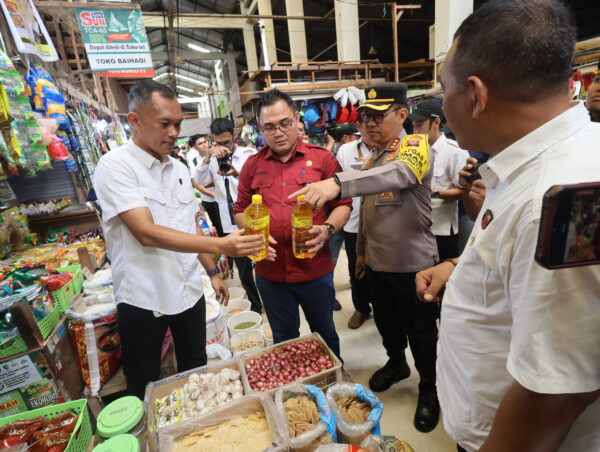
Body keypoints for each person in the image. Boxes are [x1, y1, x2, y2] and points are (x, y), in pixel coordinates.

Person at [414, 1, 600, 451]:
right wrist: (462, 264)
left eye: (446, 89)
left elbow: (557, 389)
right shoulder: (534, 160)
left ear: (476, 95)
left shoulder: (555, 199)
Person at [93, 80, 267, 398]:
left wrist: (212, 271)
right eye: (164, 124)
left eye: (178, 124)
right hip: (145, 299)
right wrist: (221, 246)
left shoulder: (177, 168)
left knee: (195, 367)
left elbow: (191, 225)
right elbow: (145, 232)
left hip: (188, 291)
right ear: (134, 120)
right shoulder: (115, 167)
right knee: (144, 380)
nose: (174, 132)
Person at [291, 83, 440, 433]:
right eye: (365, 118)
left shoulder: (414, 147)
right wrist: (360, 252)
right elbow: (368, 211)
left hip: (412, 265)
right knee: (387, 323)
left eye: (379, 116)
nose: (370, 124)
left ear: (402, 115)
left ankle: (430, 388)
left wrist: (338, 184)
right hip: (375, 263)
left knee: (421, 332)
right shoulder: (372, 157)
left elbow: (399, 175)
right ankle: (396, 363)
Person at [233, 89, 352, 358]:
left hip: (315, 270)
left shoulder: (323, 159)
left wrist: (327, 230)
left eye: (285, 123)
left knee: (324, 332)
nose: (278, 133)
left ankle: (334, 376)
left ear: (296, 120)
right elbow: (240, 209)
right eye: (269, 127)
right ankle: (293, 387)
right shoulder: (252, 165)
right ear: (260, 129)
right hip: (270, 274)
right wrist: (253, 232)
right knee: (284, 338)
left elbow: (343, 205)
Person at [196, 118, 263, 313]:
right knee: (243, 268)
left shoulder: (248, 155)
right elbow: (199, 181)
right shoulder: (211, 159)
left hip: (251, 217)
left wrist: (236, 174)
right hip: (227, 221)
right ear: (212, 140)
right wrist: (208, 156)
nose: (223, 147)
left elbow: (259, 182)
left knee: (261, 260)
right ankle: (256, 305)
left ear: (234, 136)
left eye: (226, 142)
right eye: (218, 142)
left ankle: (270, 296)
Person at [410, 100, 470, 261]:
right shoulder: (412, 151)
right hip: (414, 229)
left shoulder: (454, 152)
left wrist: (434, 193)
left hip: (440, 230)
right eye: (414, 126)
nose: (416, 131)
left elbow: (465, 192)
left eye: (420, 125)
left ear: (436, 122)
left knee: (440, 279)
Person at [335, 116, 376, 329]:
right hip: (354, 221)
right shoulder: (346, 150)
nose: (371, 127)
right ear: (358, 126)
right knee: (356, 269)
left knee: (380, 269)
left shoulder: (391, 147)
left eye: (376, 120)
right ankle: (361, 308)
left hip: (381, 223)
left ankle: (382, 308)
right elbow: (341, 187)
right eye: (366, 122)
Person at [188, 134, 223, 236]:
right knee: (218, 226)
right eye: (200, 144)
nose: (204, 145)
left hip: (222, 197)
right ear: (195, 147)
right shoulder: (195, 161)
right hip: (209, 199)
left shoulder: (216, 155)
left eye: (204, 142)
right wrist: (213, 194)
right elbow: (197, 184)